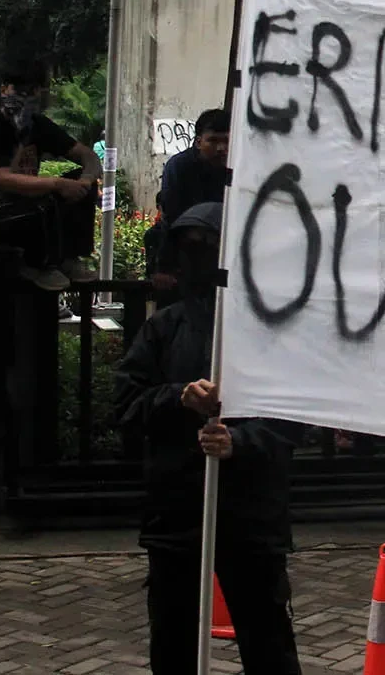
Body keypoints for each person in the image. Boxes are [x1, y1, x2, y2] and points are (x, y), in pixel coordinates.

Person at [113, 202, 304, 675]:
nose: (199, 258)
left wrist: (241, 442)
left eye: (210, 247)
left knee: (267, 639)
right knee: (174, 641)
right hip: (178, 513)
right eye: (190, 248)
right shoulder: (164, 327)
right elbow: (127, 404)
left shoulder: (269, 329)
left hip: (250, 517)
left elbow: (292, 418)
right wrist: (179, 398)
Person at [0, 61, 100, 289]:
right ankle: (37, 265)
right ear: (4, 90)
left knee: (77, 184)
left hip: (28, 203)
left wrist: (85, 180)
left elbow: (88, 156)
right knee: (40, 200)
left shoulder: (39, 125)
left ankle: (69, 259)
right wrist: (56, 183)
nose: (23, 98)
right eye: (17, 90)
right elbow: (1, 179)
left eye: (30, 91)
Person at [160, 108, 229, 226]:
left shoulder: (237, 168)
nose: (221, 148)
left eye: (227, 140)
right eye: (213, 141)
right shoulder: (179, 166)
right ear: (198, 142)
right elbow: (172, 213)